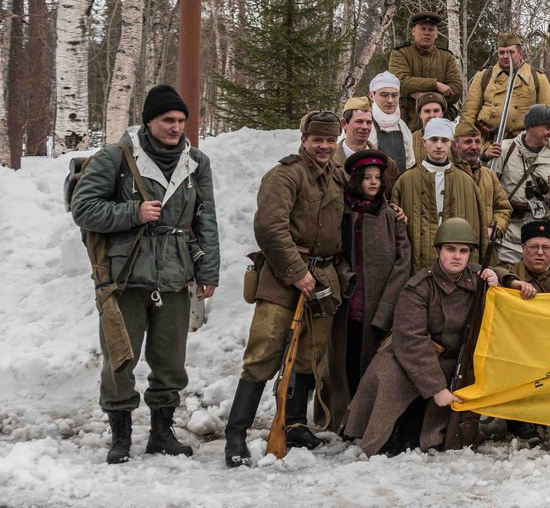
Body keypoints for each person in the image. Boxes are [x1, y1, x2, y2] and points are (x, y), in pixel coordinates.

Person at [71, 84, 219, 464]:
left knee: (170, 361)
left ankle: (161, 432)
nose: (176, 127)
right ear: (149, 121)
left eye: (181, 120)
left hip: (175, 275)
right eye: (168, 120)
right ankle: (120, 436)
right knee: (120, 359)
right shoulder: (116, 157)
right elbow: (83, 209)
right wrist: (132, 213)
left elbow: (206, 219)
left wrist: (209, 271)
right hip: (124, 276)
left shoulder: (196, 162)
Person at [224, 110, 346, 468]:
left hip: (322, 279)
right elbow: (269, 228)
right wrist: (296, 272)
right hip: (282, 280)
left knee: (309, 355)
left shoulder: (337, 176)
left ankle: (294, 425)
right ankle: (236, 434)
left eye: (330, 140)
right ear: (303, 140)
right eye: (317, 139)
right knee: (263, 354)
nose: (324, 146)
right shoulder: (284, 174)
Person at [343, 219, 500, 455]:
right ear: (438, 251)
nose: (457, 256)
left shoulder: (477, 278)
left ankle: (430, 436)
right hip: (412, 355)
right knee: (388, 376)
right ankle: (384, 435)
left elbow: (503, 273)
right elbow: (411, 340)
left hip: (454, 359)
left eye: (464, 251)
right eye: (450, 249)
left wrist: (503, 278)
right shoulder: (419, 287)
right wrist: (437, 389)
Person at [318, 148, 411, 435]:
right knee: (342, 360)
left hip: (377, 303)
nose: (373, 182)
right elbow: (332, 251)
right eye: (368, 177)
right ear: (357, 180)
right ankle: (338, 417)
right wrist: (344, 275)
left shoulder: (390, 215)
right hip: (347, 301)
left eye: (378, 177)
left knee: (370, 362)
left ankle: (365, 420)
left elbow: (403, 262)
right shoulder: (343, 213)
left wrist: (387, 307)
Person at [390, 118, 486, 273]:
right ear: (424, 142)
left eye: (444, 140)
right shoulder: (405, 181)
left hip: (458, 271)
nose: (439, 145)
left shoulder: (467, 182)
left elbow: (479, 230)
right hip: (416, 268)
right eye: (434, 139)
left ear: (452, 143)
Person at [490, 104, 550, 265]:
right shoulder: (506, 149)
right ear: (531, 127)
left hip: (542, 239)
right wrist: (484, 159)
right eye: (548, 127)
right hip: (509, 238)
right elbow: (488, 184)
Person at [461, 31, 550, 143]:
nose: (506, 56)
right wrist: (463, 142)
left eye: (511, 52)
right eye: (501, 52)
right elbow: (468, 113)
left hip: (522, 145)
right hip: (487, 143)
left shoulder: (537, 78)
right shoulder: (484, 76)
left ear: (520, 54)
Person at [387, 10, 464, 128]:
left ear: (436, 34)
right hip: (406, 121)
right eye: (422, 29)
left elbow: (456, 89)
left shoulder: (446, 56)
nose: (427, 33)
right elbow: (400, 81)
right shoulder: (400, 53)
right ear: (413, 31)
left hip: (440, 122)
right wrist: (436, 85)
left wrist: (427, 96)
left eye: (431, 29)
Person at [451, 121, 513, 255]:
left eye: (477, 142)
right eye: (468, 142)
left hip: (484, 250)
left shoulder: (489, 175)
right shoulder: (447, 174)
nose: (474, 147)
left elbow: (503, 208)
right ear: (455, 146)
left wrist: (495, 229)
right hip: (455, 249)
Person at [495, 220, 550, 297]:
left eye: (545, 247)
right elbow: (495, 272)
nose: (540, 252)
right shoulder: (509, 270)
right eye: (534, 247)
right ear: (523, 249)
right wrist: (513, 283)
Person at [368, 71, 417, 173]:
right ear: (371, 96)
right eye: (384, 95)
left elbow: (410, 162)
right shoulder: (366, 125)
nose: (390, 100)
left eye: (394, 95)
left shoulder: (402, 126)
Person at [335, 96, 378, 168]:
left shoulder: (384, 161)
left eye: (368, 122)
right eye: (359, 122)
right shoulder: (328, 160)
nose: (365, 127)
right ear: (344, 124)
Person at [410, 92, 449, 162]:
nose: (432, 115)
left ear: (442, 113)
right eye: (427, 111)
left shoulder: (452, 139)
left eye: (436, 111)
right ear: (420, 114)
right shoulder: (411, 139)